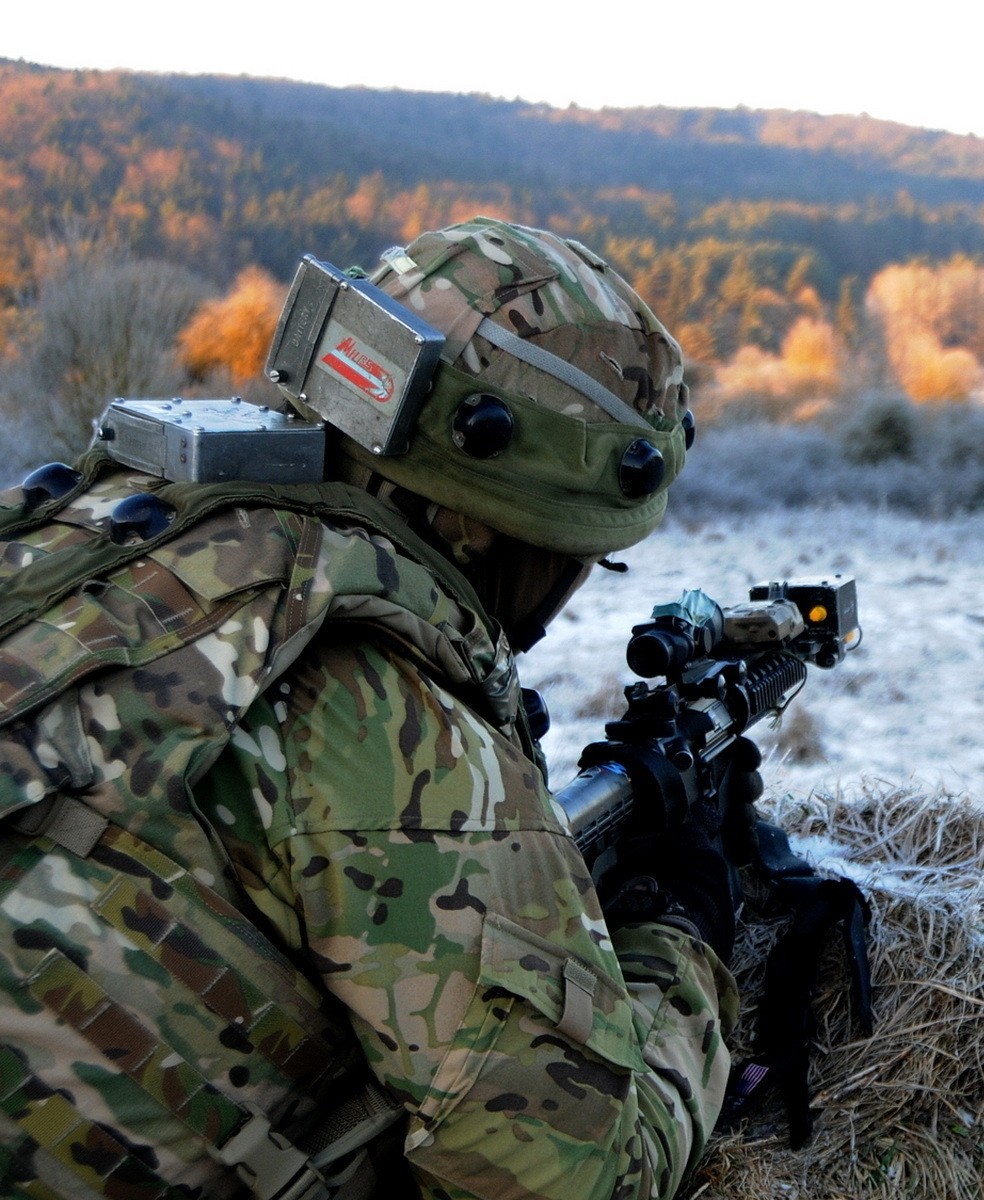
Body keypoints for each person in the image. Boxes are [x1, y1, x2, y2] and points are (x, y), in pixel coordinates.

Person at [0, 218, 739, 1199]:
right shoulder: (378, 712)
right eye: (575, 556)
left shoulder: (96, 532)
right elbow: (577, 1176)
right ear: (506, 527)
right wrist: (682, 929)